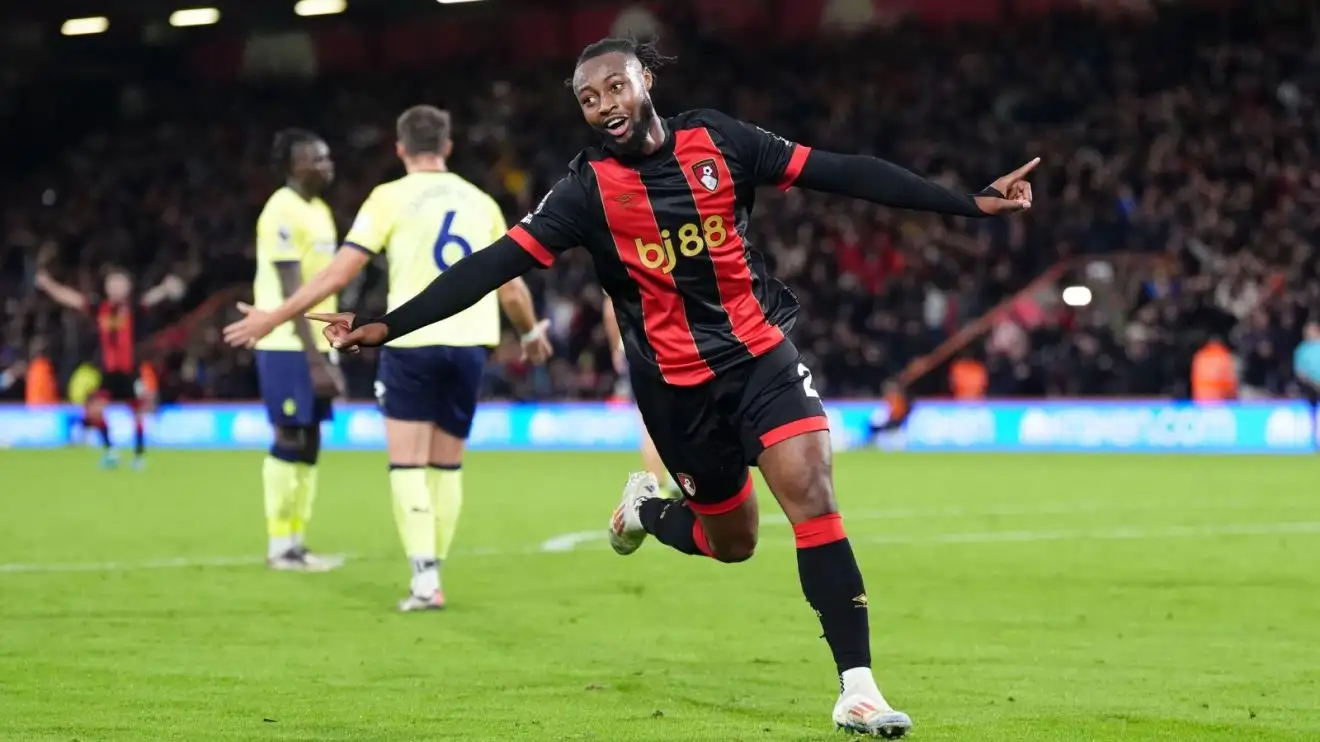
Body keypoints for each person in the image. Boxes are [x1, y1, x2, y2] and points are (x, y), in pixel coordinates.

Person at [308, 37, 1035, 738]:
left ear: (646, 82)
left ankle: (859, 690)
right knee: (735, 543)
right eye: (588, 99)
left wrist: (968, 204)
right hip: (678, 391)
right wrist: (385, 325)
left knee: (813, 493)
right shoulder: (583, 192)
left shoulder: (719, 142)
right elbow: (494, 265)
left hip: (759, 356)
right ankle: (646, 513)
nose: (603, 105)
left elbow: (843, 171)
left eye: (615, 86)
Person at [224, 106, 553, 609]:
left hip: (410, 342)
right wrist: (530, 333)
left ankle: (424, 580)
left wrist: (273, 317)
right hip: (470, 343)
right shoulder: (480, 201)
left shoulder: (389, 197)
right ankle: (435, 570)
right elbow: (510, 285)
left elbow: (336, 276)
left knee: (407, 465)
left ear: (400, 149)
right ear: (447, 147)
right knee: (448, 469)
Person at [247, 128, 346, 572]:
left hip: (314, 343)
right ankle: (279, 545)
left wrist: (331, 349)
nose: (326, 165)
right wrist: (314, 360)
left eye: (327, 157)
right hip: (286, 344)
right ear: (292, 166)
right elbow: (292, 291)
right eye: (316, 159)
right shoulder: (280, 211)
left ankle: (298, 543)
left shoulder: (321, 211)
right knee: (289, 435)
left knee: (310, 439)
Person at [34, 267, 184, 468]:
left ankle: (139, 455)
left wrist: (166, 288)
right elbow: (71, 298)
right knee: (94, 410)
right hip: (108, 372)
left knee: (139, 411)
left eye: (120, 284)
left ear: (128, 288)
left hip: (130, 372)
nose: (116, 288)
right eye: (112, 284)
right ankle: (110, 451)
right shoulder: (99, 308)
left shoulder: (133, 309)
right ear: (106, 287)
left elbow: (152, 297)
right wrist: (49, 285)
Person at [602, 293, 680, 497]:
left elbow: (611, 309)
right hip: (672, 342)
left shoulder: (619, 264)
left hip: (638, 346)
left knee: (649, 420)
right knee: (678, 413)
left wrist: (615, 347)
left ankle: (659, 485)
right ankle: (679, 479)